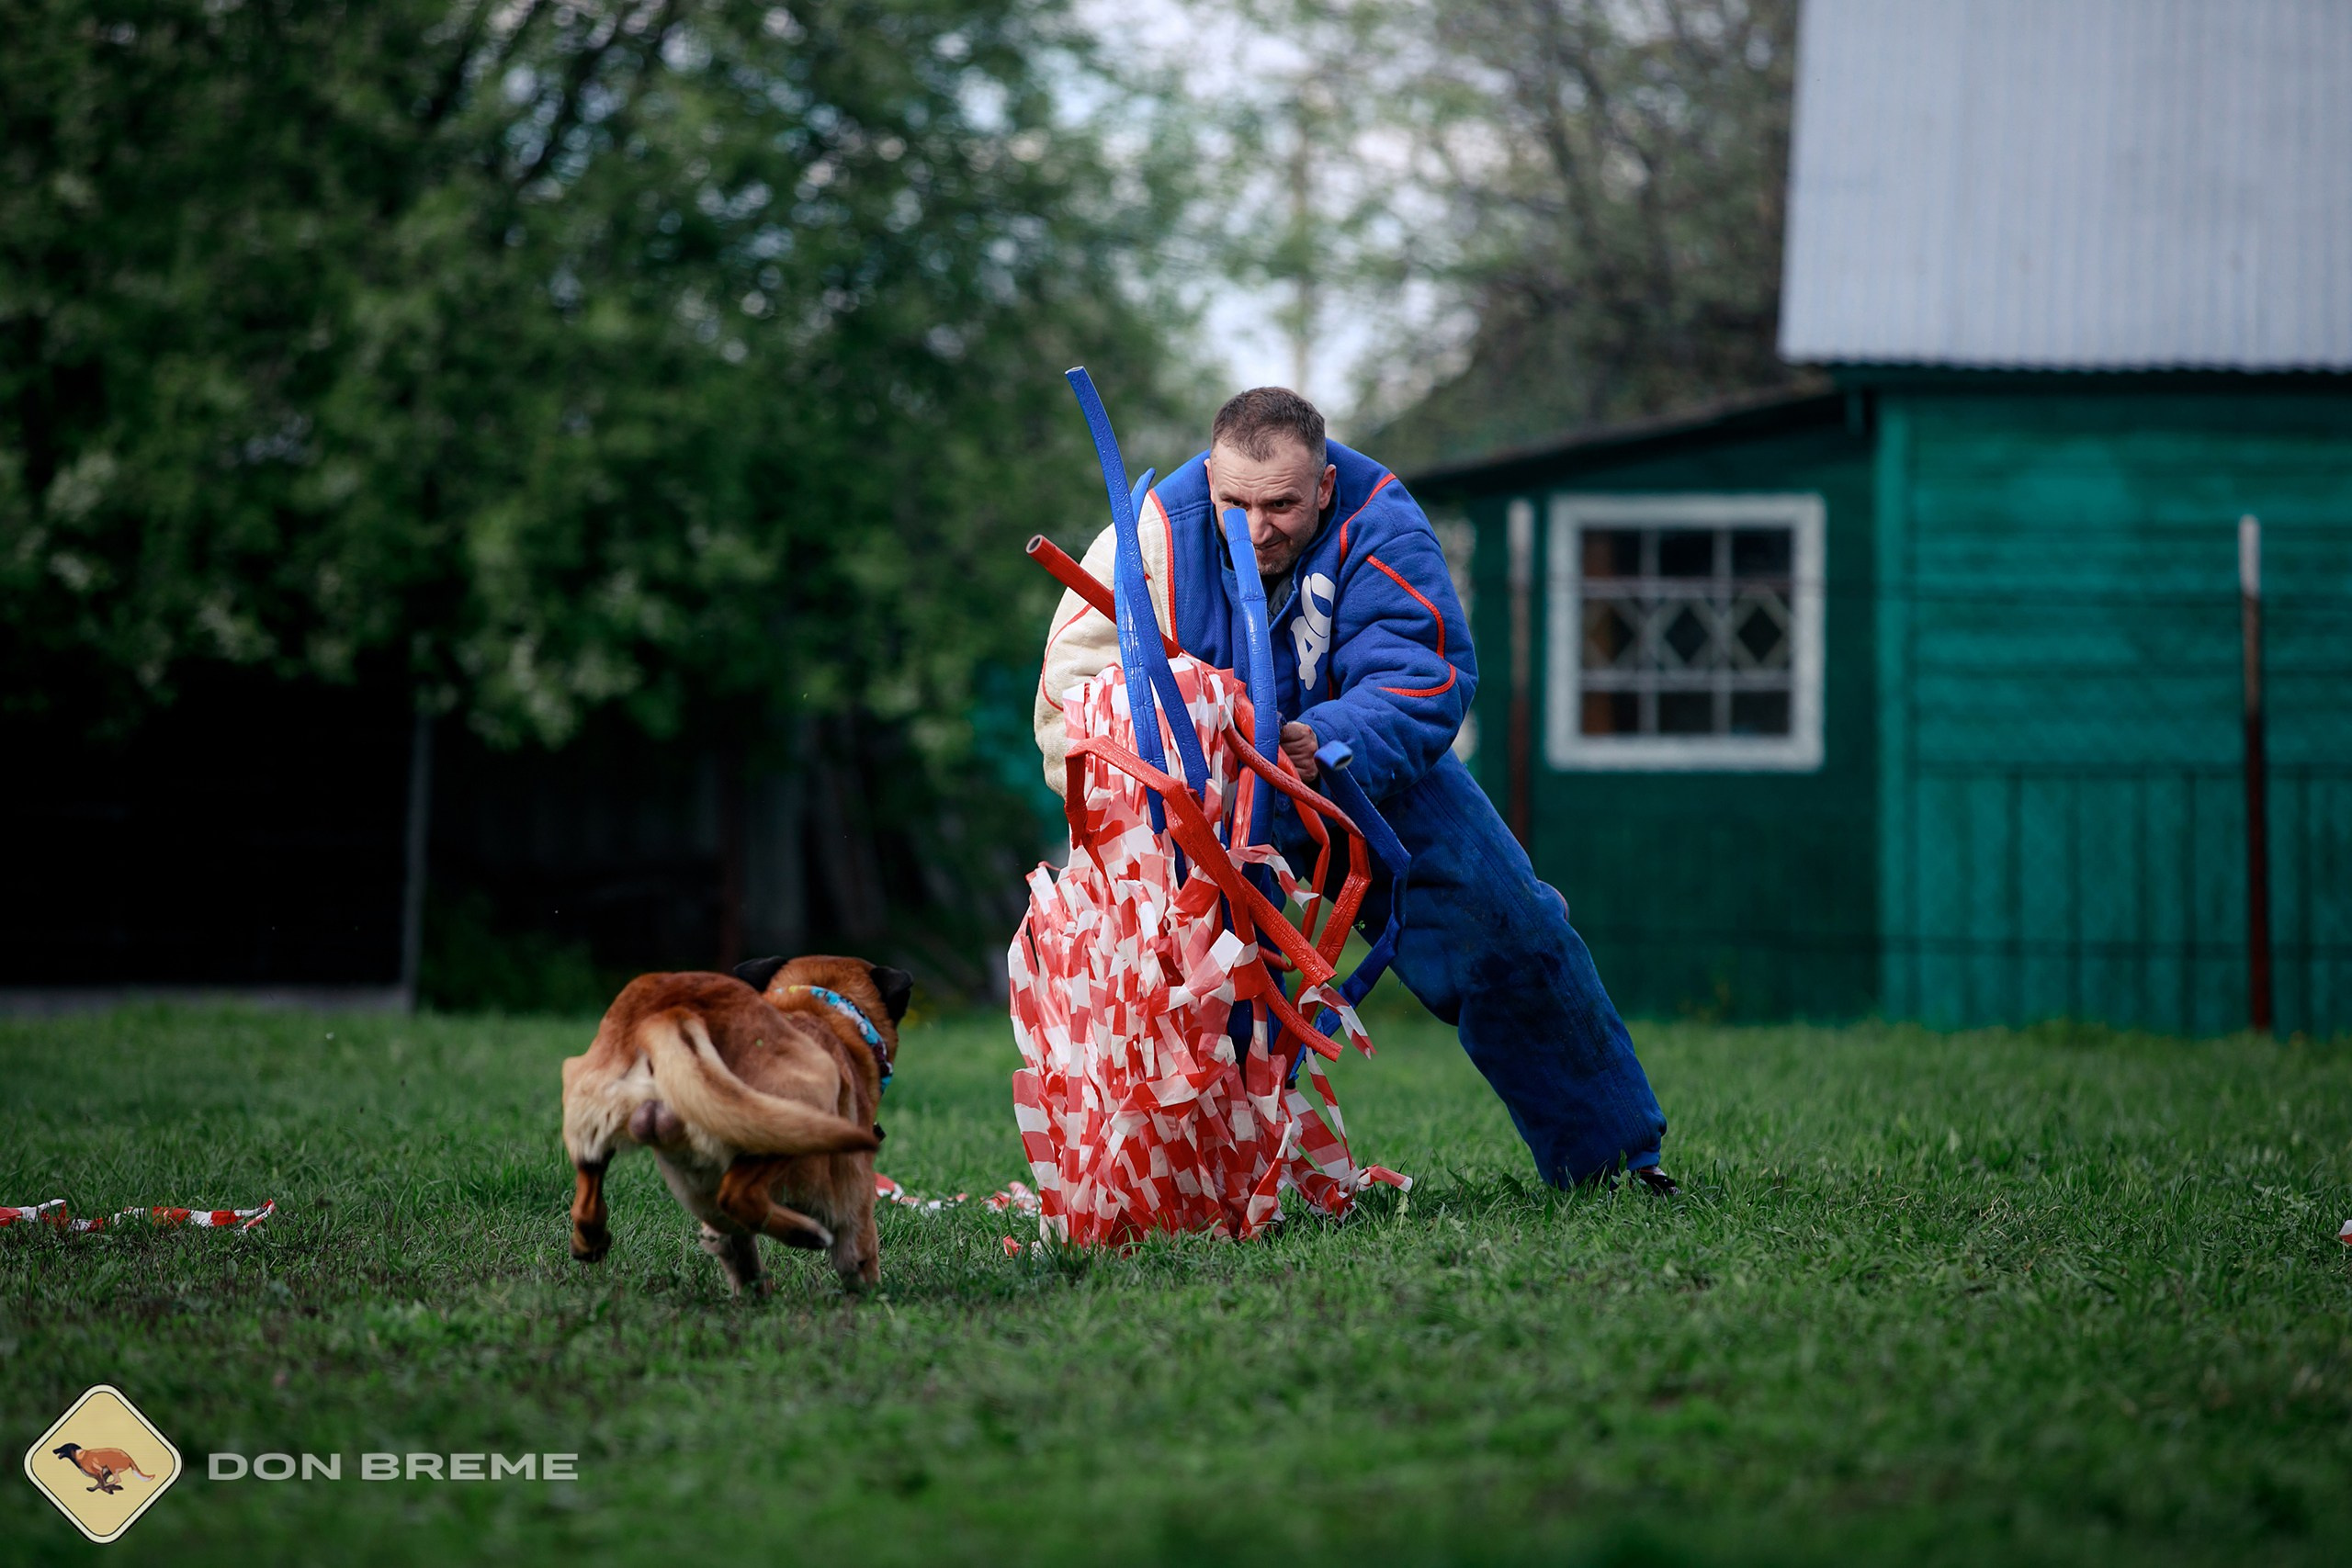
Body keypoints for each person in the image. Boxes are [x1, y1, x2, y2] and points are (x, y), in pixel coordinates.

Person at [1034, 387, 1675, 1192]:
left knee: (1513, 929)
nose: (1256, 528)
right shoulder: (1150, 533)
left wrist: (1329, 740)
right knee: (1189, 992)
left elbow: (1423, 670)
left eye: (1282, 505)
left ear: (1325, 486)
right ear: (1210, 475)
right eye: (1235, 503)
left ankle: (1611, 1164)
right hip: (1200, 803)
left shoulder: (1378, 514)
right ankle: (1193, 1193)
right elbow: (1071, 695)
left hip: (1353, 769)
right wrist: (1174, 763)